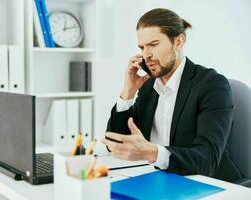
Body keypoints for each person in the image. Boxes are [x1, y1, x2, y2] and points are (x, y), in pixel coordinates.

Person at [102, 8, 243, 182]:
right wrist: (128, 93)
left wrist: (152, 152)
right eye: (142, 47)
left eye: (153, 44)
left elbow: (207, 159)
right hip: (159, 179)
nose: (146, 55)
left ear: (178, 41)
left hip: (204, 183)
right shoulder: (149, 86)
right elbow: (114, 144)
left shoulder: (212, 85)